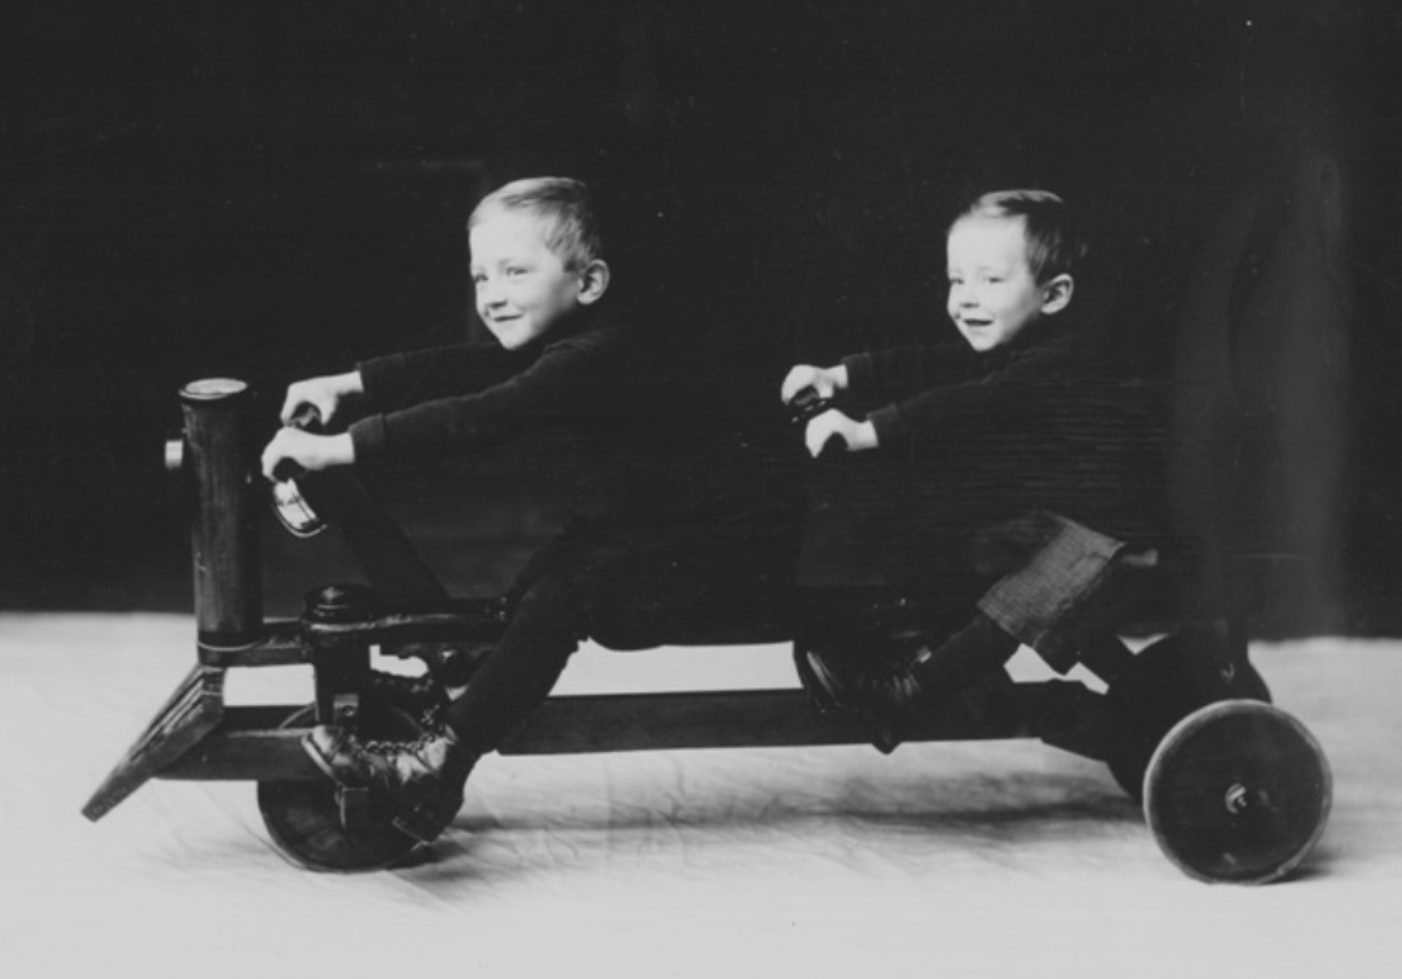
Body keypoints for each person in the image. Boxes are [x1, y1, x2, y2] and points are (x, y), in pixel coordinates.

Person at [261, 176, 799, 843]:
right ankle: (457, 692)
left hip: (726, 554)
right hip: (658, 530)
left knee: (559, 596)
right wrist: (352, 382)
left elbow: (486, 412)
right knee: (541, 582)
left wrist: (340, 447)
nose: (492, 294)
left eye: (515, 271)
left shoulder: (600, 351)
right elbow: (473, 367)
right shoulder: (571, 337)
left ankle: (438, 764)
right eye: (481, 276)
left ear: (591, 281)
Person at [780, 189, 1167, 753]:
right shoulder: (1018, 339)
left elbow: (976, 400)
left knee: (1027, 594)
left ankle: (912, 693)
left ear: (1055, 295)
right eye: (956, 280)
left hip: (1119, 534)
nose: (965, 300)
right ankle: (913, 645)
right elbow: (939, 360)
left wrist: (869, 430)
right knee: (968, 541)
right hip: (1065, 518)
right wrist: (840, 375)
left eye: (989, 280)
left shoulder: (1064, 358)